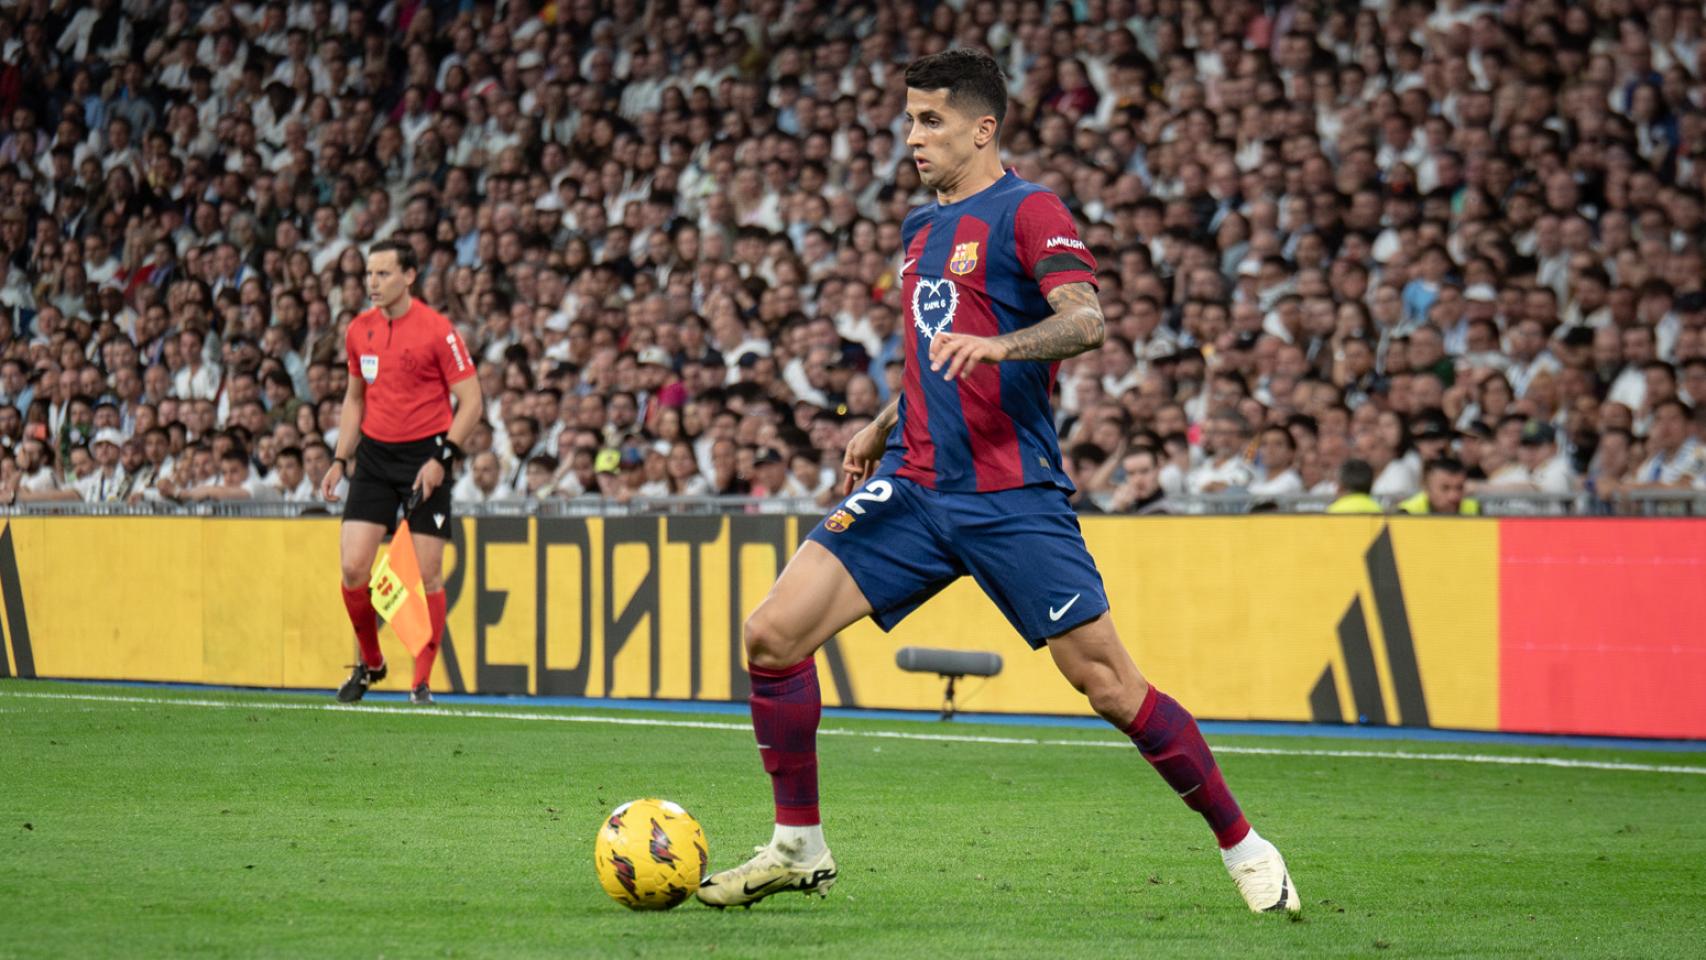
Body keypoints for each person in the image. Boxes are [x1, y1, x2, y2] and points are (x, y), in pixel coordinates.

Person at [696, 50, 1298, 915]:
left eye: (930, 120)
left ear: (984, 128)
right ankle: (799, 846)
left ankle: (1245, 847)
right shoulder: (917, 230)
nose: (913, 137)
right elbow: (934, 356)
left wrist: (1004, 347)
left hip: (1009, 498)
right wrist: (881, 421)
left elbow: (1085, 320)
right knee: (772, 634)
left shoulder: (1030, 210)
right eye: (908, 120)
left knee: (1110, 687)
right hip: (913, 485)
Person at [321, 240, 483, 705]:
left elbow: (471, 402)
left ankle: (421, 680)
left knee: (427, 574)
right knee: (354, 567)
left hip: (424, 456)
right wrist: (339, 458)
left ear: (409, 276)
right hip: (373, 457)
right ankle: (371, 663)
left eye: (383, 274)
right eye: (369, 274)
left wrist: (442, 458)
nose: (372, 283)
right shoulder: (359, 331)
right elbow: (355, 398)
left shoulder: (437, 330)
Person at [1398, 458, 1481, 515]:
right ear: (1427, 487)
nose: (1453, 496)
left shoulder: (1475, 510)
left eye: (1459, 488)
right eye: (1445, 488)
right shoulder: (1407, 513)